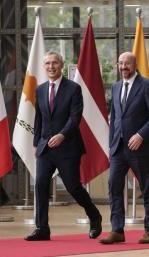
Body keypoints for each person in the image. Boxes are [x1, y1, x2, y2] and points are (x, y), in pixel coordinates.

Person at [25, 51, 102, 241]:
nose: (51, 67)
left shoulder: (73, 88)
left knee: (73, 187)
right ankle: (42, 228)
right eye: (48, 64)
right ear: (44, 67)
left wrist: (62, 135)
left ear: (61, 65)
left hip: (68, 147)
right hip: (45, 148)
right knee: (41, 185)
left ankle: (95, 216)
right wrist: (36, 143)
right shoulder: (40, 89)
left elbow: (75, 118)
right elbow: (39, 118)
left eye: (55, 63)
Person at [99, 52, 149, 245]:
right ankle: (117, 230)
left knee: (146, 188)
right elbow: (114, 118)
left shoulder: (147, 86)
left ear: (135, 65)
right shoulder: (116, 86)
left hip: (140, 148)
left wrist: (141, 135)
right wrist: (111, 145)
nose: (123, 67)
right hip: (118, 148)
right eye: (120, 63)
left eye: (127, 63)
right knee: (114, 187)